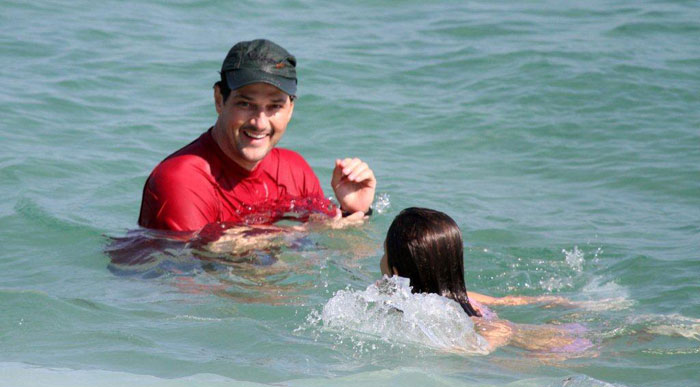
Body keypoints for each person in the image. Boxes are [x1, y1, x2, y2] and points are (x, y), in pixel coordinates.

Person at [138, 39, 375, 232]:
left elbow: (341, 253)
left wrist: (353, 211)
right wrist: (287, 237)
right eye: (245, 104)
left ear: (290, 109)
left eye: (274, 107)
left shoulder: (294, 170)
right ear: (219, 100)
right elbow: (186, 274)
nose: (260, 122)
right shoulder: (181, 180)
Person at [380, 207, 592, 355]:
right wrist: (563, 302)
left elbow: (495, 336)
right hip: (564, 335)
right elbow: (511, 300)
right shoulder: (466, 298)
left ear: (396, 272)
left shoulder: (437, 315)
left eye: (384, 252)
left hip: (553, 348)